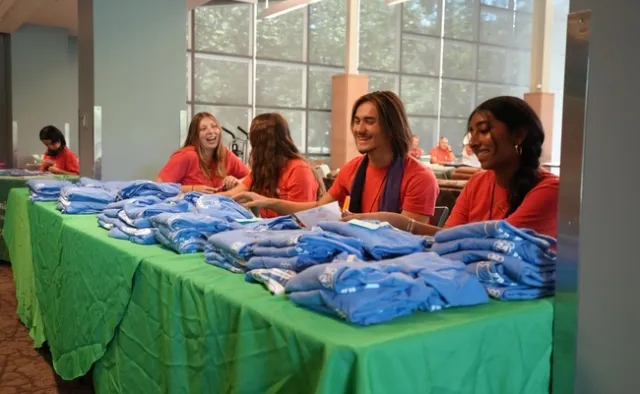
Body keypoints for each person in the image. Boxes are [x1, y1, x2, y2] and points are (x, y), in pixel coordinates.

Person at [346, 96, 559, 238]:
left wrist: (401, 225)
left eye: (483, 131)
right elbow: (449, 239)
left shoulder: (549, 191)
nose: (473, 142)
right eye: (471, 132)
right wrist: (396, 223)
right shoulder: (477, 183)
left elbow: (497, 241)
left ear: (518, 135)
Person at [232, 91, 439, 222]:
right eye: (357, 121)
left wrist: (357, 221)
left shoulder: (419, 177)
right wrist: (269, 202)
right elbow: (317, 209)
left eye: (369, 121)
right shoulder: (353, 168)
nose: (359, 129)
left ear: (391, 127)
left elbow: (409, 236)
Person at [220, 113, 325, 218]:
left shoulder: (299, 170)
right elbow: (233, 195)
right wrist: (204, 198)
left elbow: (304, 216)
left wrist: (268, 202)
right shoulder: (262, 169)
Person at [157, 112, 249, 193]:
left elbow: (252, 177)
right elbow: (159, 186)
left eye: (214, 126)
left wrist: (237, 181)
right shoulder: (186, 156)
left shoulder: (225, 154)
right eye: (203, 129)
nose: (210, 131)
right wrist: (192, 189)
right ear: (195, 136)